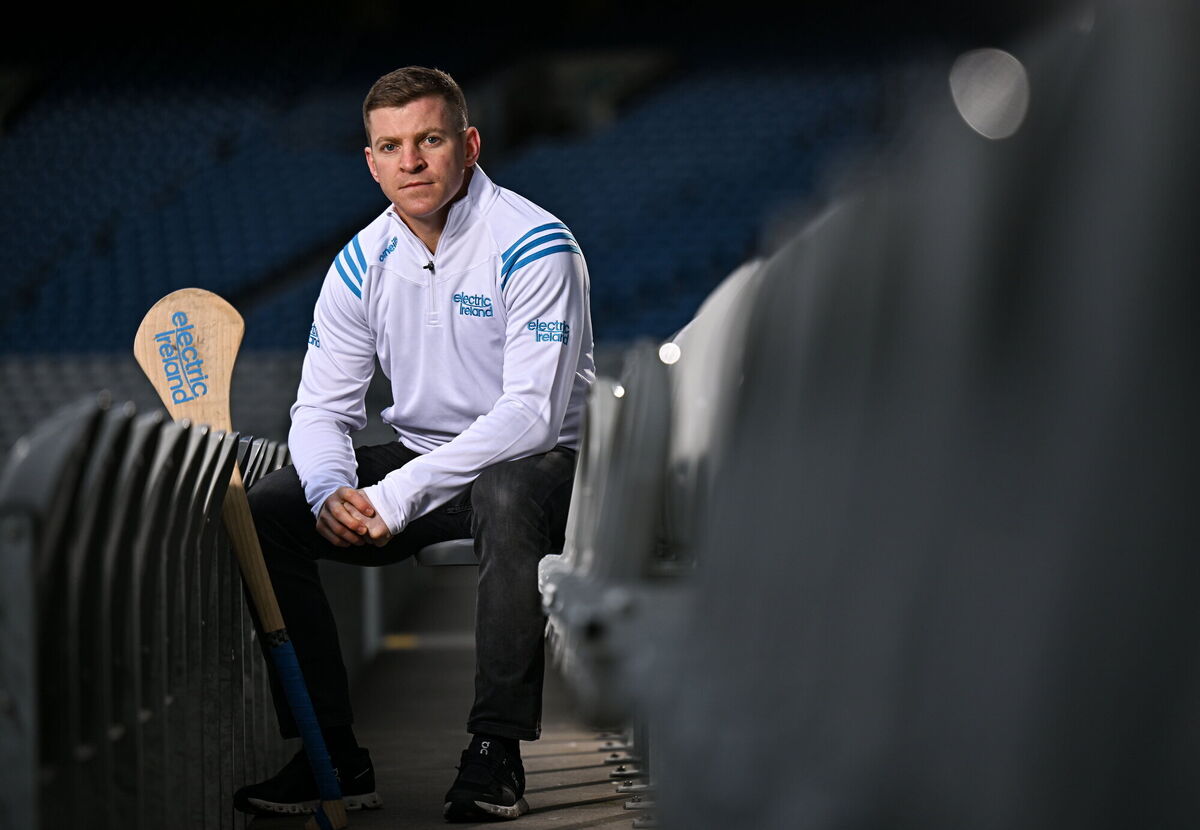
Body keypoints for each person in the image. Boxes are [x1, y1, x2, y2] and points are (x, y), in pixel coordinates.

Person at [232, 65, 595, 822]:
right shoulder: (361, 263)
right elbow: (320, 409)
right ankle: (331, 754)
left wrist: (396, 495)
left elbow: (530, 416)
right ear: (371, 162)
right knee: (269, 509)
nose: (412, 162)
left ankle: (496, 750)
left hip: (543, 470)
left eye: (429, 139)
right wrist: (330, 492)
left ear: (469, 144)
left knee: (505, 487)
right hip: (427, 462)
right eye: (392, 147)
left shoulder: (535, 243)